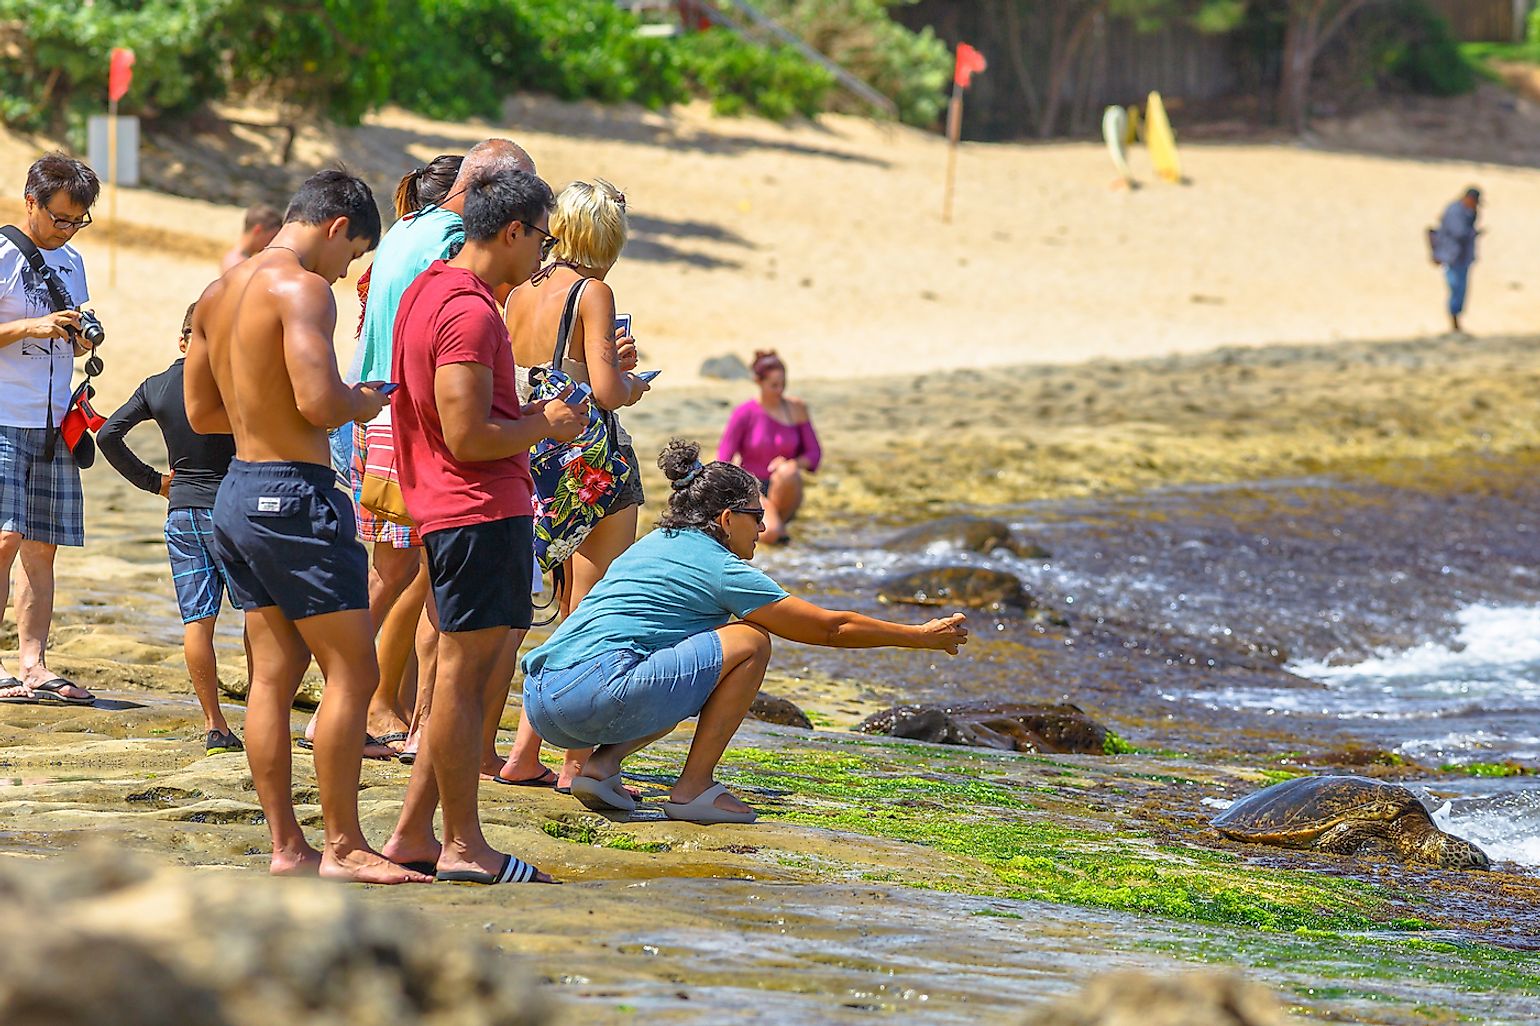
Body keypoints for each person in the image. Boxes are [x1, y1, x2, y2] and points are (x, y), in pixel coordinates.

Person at [184, 168, 427, 884]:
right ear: (335, 227)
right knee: (354, 666)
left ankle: (289, 848)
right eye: (351, 254)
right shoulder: (303, 287)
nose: (345, 268)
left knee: (274, 674)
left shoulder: (218, 292)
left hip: (237, 492)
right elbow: (321, 402)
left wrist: (268, 414)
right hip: (293, 494)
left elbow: (201, 416)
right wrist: (362, 402)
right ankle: (346, 846)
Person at [521, 439, 969, 824]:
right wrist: (918, 636)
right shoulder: (721, 568)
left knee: (693, 657)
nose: (763, 527)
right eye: (756, 515)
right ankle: (693, 789)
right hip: (594, 695)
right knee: (751, 642)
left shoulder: (655, 545)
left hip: (540, 699)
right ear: (726, 518)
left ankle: (601, 770)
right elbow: (831, 629)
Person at [379, 168, 582, 885]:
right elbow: (467, 435)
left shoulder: (427, 288)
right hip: (474, 511)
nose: (545, 258)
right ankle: (464, 845)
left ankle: (412, 834)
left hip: (454, 509)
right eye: (543, 240)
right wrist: (546, 423)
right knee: (462, 690)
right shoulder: (468, 309)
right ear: (513, 231)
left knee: (453, 688)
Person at [330, 143, 532, 763]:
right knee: (414, 576)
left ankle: (376, 702)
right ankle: (375, 702)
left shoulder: (407, 229)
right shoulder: (452, 249)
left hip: (375, 411)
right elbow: (457, 369)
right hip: (408, 417)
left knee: (404, 573)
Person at [496, 178, 651, 791]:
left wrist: (609, 363)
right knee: (588, 609)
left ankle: (516, 751)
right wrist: (633, 383)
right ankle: (572, 759)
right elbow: (606, 394)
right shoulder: (594, 291)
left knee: (547, 606)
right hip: (589, 459)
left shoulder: (522, 289)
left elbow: (541, 372)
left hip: (532, 449)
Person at [97, 303, 242, 755]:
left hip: (181, 514)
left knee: (197, 622)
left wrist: (154, 482)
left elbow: (106, 436)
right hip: (235, 511)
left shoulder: (157, 385)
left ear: (181, 340)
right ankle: (264, 715)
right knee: (261, 617)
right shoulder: (232, 383)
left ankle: (215, 725)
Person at [0, 152, 101, 706]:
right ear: (31, 201)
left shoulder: (74, 263)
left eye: (77, 221)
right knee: (4, 539)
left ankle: (33, 666)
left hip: (55, 421)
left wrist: (81, 335)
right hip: (3, 414)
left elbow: (74, 319)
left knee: (42, 547)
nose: (66, 231)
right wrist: (30, 326)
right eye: (59, 218)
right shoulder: (2, 253)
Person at [716, 350, 821, 545]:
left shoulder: (797, 409)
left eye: (783, 384)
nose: (780, 391)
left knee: (788, 473)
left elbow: (814, 454)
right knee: (772, 533)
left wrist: (792, 463)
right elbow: (723, 459)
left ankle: (774, 525)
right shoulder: (744, 413)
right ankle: (773, 530)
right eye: (774, 385)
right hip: (754, 487)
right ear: (758, 382)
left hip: (786, 485)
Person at [1431, 187, 1481, 336]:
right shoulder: (1455, 211)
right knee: (1456, 287)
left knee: (1461, 289)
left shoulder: (1468, 212)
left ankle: (1456, 322)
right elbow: (1459, 232)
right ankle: (1454, 323)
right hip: (1452, 256)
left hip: (1462, 257)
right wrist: (1473, 232)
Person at [219, 204, 283, 272]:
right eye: (272, 237)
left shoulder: (237, 261)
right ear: (258, 230)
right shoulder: (237, 264)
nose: (272, 243)